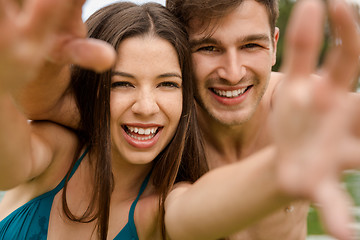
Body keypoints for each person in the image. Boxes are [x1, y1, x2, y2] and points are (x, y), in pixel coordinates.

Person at [3, 0, 360, 240]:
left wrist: (281, 167)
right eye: (209, 48)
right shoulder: (67, 144)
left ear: (274, 44)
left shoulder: (300, 104)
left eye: (252, 45)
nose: (233, 73)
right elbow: (28, 126)